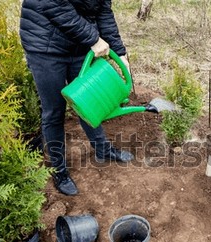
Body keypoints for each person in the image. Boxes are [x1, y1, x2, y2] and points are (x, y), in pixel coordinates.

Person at [19, 0, 134, 196]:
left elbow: (103, 10)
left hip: (80, 44)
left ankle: (102, 149)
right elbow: (53, 5)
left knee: (88, 100)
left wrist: (120, 53)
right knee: (54, 111)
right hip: (45, 45)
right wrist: (94, 39)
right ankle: (59, 171)